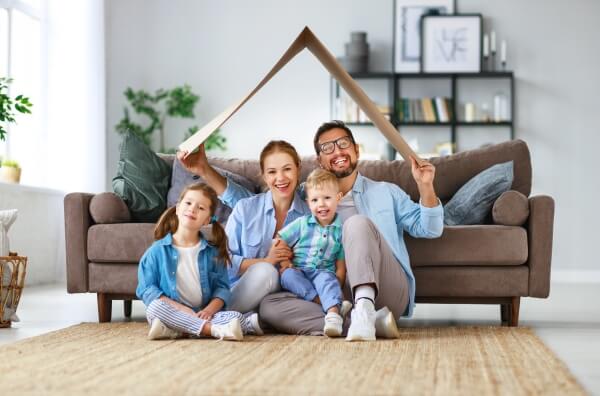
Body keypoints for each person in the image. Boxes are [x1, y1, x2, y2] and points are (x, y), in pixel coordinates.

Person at [259, 120, 444, 341]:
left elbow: (430, 229)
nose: (337, 151)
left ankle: (365, 309)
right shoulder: (306, 196)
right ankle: (364, 323)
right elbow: (258, 201)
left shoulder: (385, 192)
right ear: (320, 160)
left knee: (356, 224)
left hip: (385, 288)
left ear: (356, 150)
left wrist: (425, 185)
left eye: (343, 143)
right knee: (269, 306)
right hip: (331, 293)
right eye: (327, 148)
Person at [177, 141, 310, 314]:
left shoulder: (309, 217)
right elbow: (225, 261)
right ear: (263, 175)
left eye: (287, 169)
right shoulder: (246, 208)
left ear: (298, 168)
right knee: (266, 272)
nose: (281, 178)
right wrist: (267, 261)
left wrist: (292, 263)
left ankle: (234, 319)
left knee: (277, 287)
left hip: (282, 296)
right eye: (272, 172)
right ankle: (215, 316)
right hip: (239, 290)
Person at [136, 182, 263, 341]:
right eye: (188, 203)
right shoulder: (156, 251)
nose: (192, 209)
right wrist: (181, 309)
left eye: (201, 208)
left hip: (202, 313)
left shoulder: (213, 254)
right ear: (177, 208)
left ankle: (177, 330)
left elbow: (222, 290)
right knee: (154, 308)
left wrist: (209, 311)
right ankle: (215, 330)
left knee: (233, 315)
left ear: (207, 220)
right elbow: (147, 290)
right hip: (170, 311)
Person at [277, 168, 350, 337]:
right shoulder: (302, 223)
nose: (321, 204)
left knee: (328, 280)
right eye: (315, 200)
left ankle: (332, 316)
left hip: (323, 272)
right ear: (308, 203)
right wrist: (285, 263)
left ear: (338, 198)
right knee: (287, 276)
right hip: (299, 271)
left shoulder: (341, 231)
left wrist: (337, 282)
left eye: (327, 198)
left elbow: (340, 262)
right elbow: (279, 239)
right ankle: (330, 304)